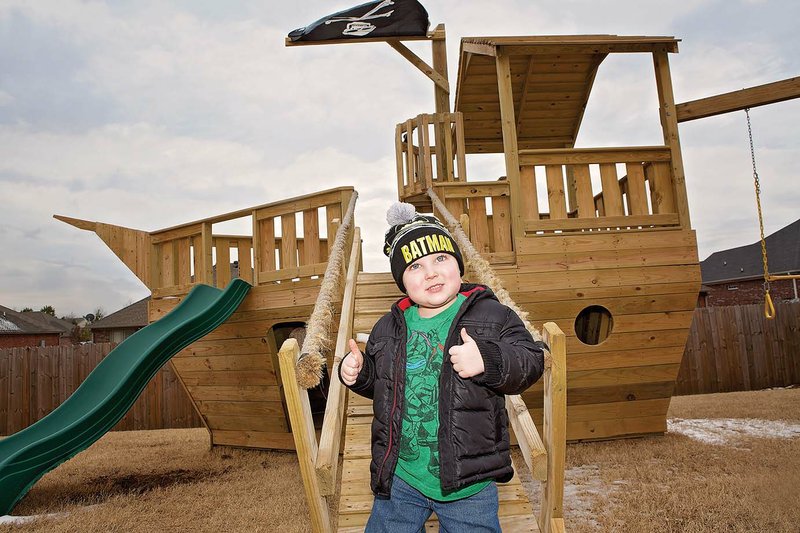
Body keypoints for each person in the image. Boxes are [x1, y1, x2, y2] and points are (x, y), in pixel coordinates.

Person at [339, 202, 545, 532]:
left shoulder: (491, 315)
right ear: (402, 281)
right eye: (415, 267)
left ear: (459, 265)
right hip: (402, 477)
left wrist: (487, 361)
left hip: (468, 483)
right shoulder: (388, 328)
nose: (431, 272)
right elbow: (382, 382)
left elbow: (531, 360)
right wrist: (358, 372)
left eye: (441, 258)